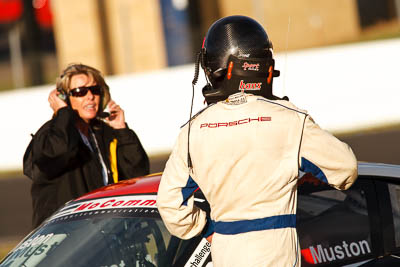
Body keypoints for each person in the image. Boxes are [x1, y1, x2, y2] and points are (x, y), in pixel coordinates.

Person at [156, 15, 358, 267]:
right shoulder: (289, 118)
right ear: (263, 65)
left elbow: (171, 206)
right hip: (277, 254)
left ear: (215, 69)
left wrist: (207, 227)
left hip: (226, 252)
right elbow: (345, 168)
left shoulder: (193, 129)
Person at [23, 63, 150, 228]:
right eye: (80, 92)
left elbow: (138, 174)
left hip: (102, 233)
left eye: (95, 90)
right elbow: (60, 152)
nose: (90, 96)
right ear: (65, 99)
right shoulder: (50, 134)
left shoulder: (103, 133)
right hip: (64, 236)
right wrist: (63, 114)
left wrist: (122, 131)